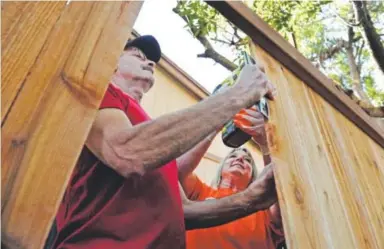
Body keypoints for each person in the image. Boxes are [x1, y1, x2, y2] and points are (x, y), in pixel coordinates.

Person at [50, 35, 278, 249]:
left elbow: (183, 211)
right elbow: (127, 152)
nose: (149, 63)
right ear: (112, 63)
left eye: (151, 61)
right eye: (139, 57)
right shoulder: (97, 92)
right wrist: (237, 95)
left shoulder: (148, 131)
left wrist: (253, 198)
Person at [181, 106, 285, 249]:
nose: (240, 159)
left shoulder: (264, 209)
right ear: (221, 168)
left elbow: (280, 191)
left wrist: (266, 144)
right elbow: (177, 172)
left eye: (247, 160)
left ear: (253, 175)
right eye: (233, 156)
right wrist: (216, 124)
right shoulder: (199, 192)